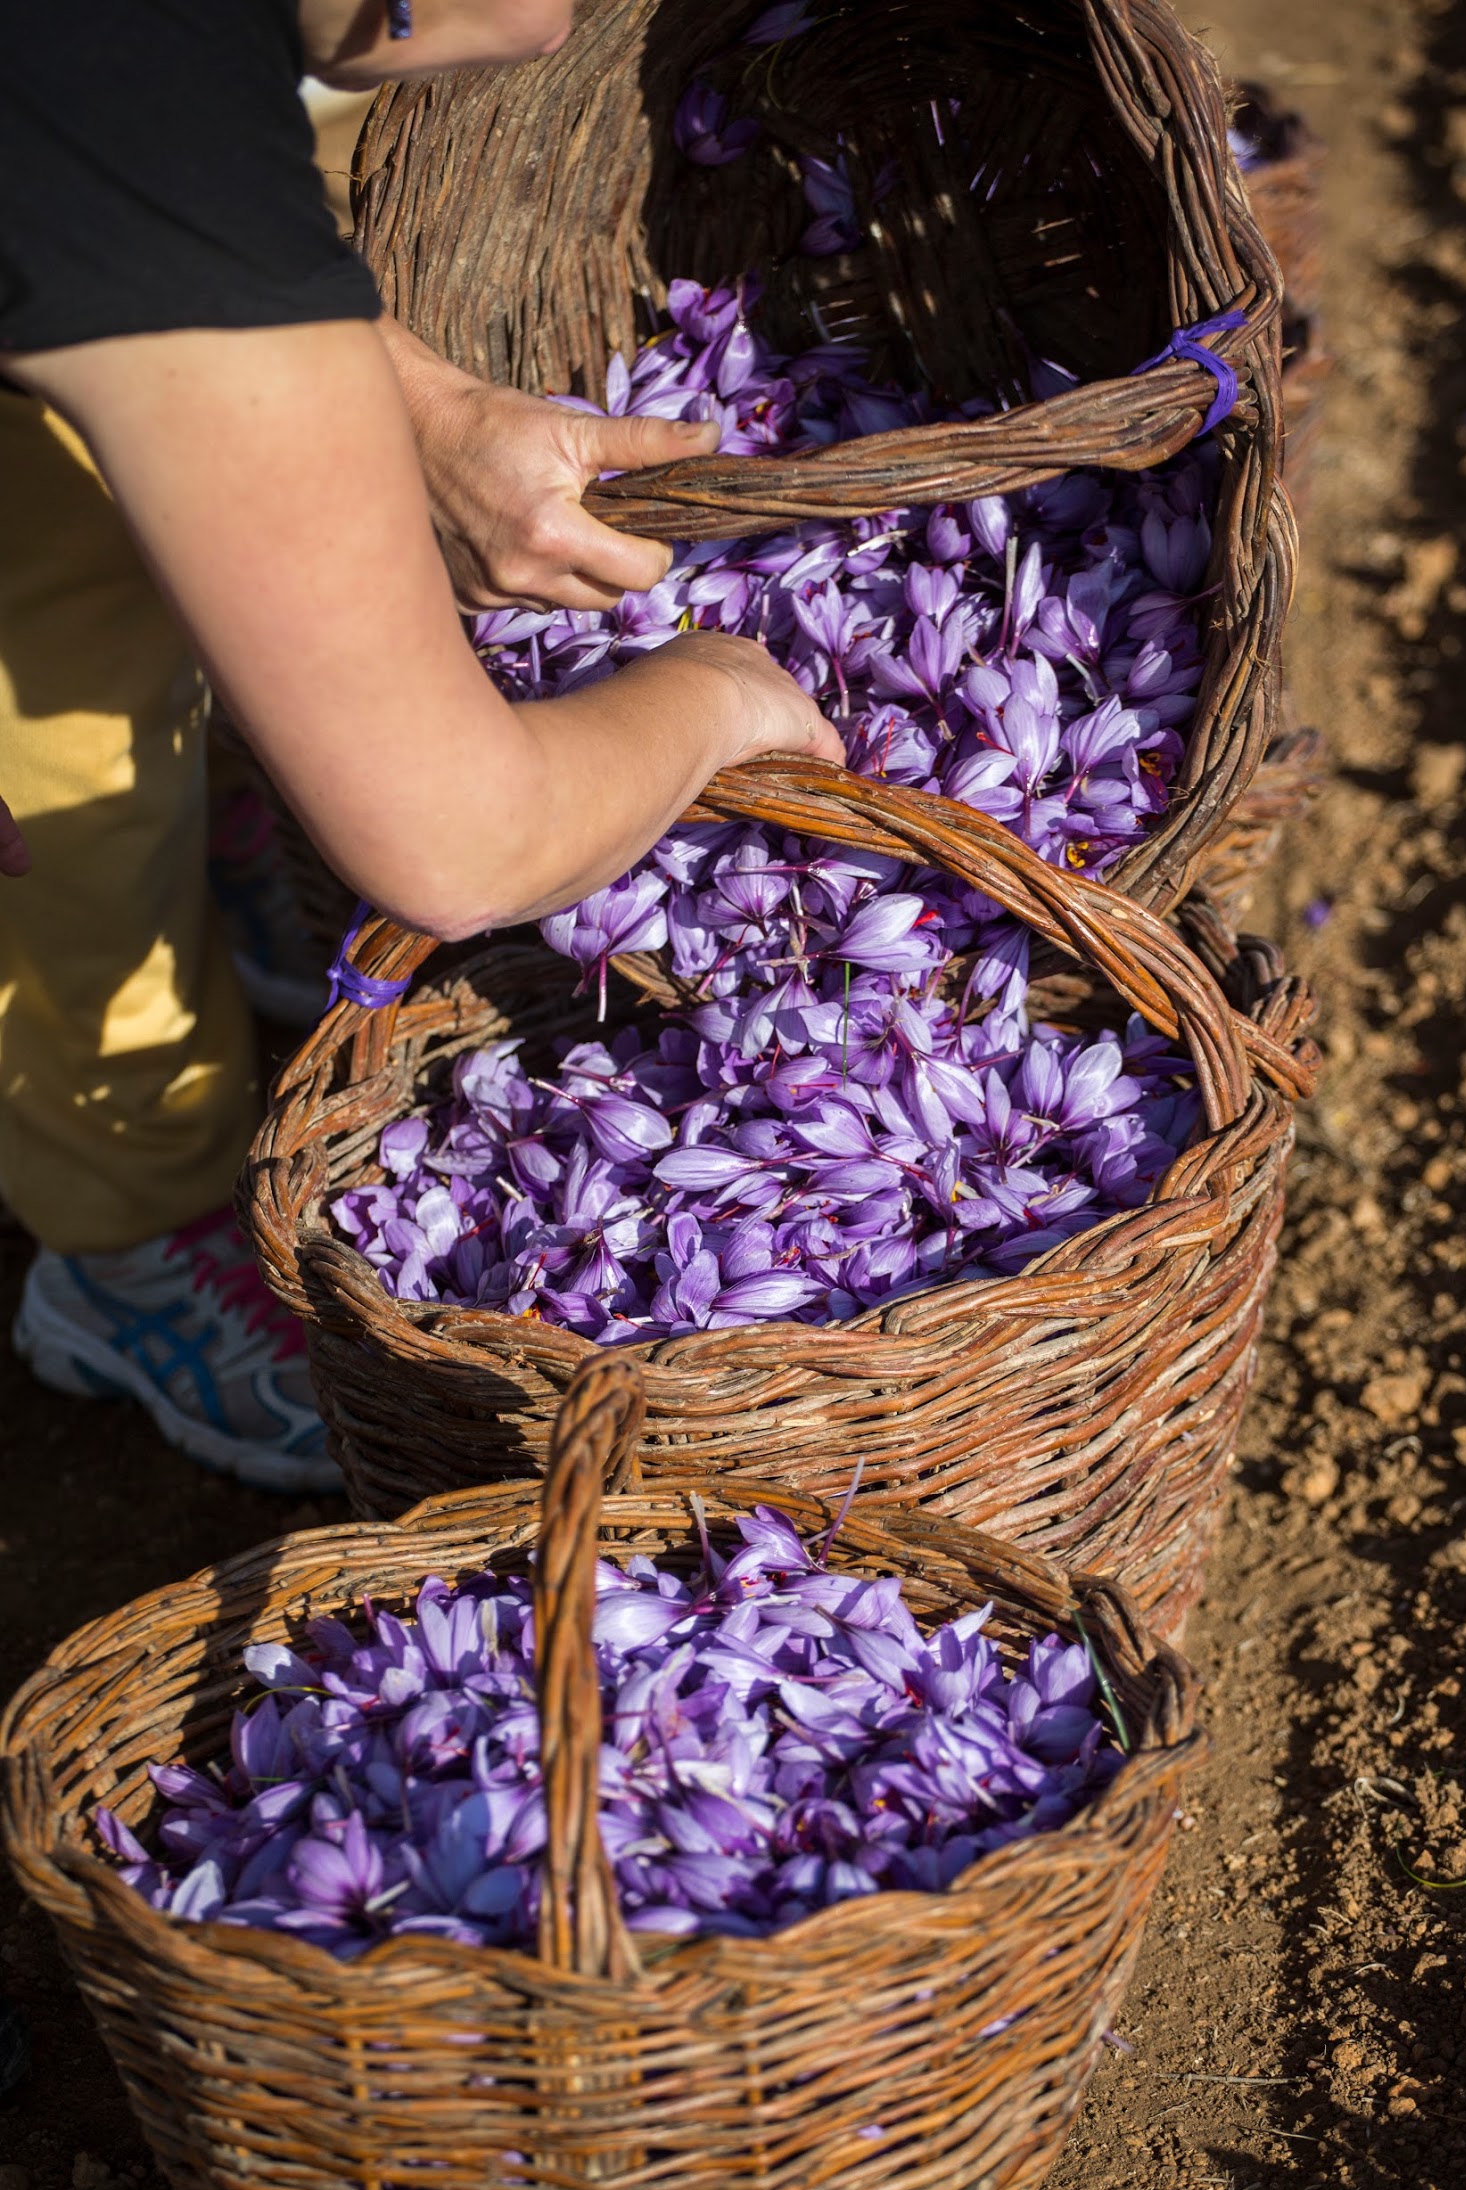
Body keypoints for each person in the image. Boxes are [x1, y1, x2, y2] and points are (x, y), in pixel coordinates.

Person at [0, 0, 842, 1491]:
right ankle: (119, 1232)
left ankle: (241, 789)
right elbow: (461, 846)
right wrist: (720, 692)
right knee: (47, 749)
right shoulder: (123, 87)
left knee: (132, 527)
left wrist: (427, 404)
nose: (550, 34)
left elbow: (173, 218)